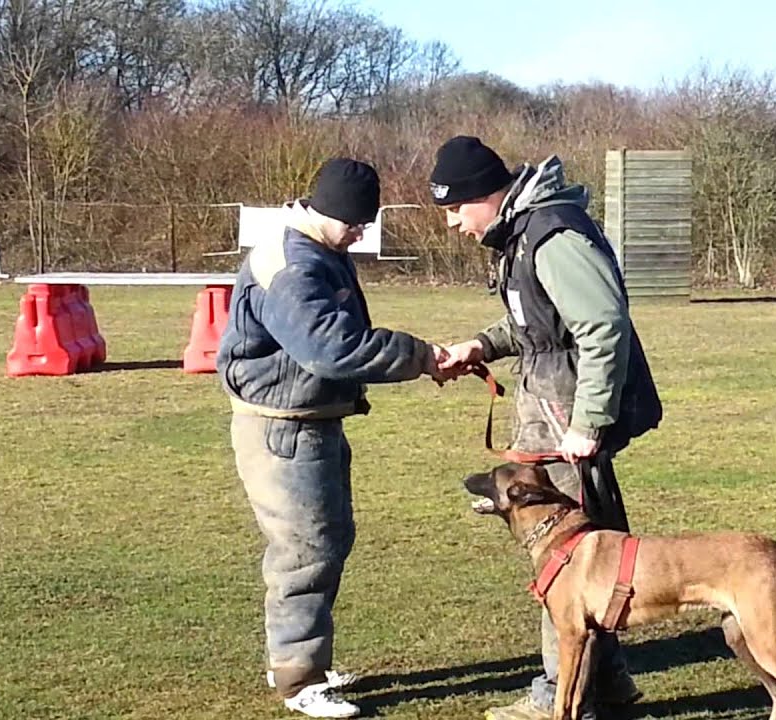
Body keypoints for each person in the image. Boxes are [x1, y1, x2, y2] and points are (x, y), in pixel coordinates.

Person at [429, 136, 662, 720]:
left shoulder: (554, 235)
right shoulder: (524, 234)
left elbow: (603, 326)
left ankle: (559, 697)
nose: (453, 223)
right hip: (552, 409)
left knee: (562, 554)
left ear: (486, 194)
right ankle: (606, 687)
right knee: (589, 548)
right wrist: (480, 345)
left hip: (567, 421)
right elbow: (536, 322)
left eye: (456, 209)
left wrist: (588, 422)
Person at [217, 157, 448, 719]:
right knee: (305, 550)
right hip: (283, 428)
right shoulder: (294, 266)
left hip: (310, 420)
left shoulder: (317, 248)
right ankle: (299, 679)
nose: (361, 234)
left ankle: (301, 660)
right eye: (356, 223)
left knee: (327, 539)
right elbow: (331, 348)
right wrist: (420, 356)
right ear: (327, 211)